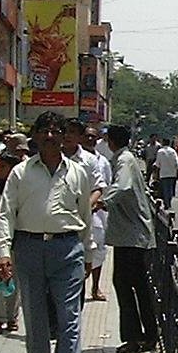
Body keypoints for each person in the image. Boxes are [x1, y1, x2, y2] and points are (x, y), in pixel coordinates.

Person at [0, 112, 93, 353]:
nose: (49, 137)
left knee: (69, 315)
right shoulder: (21, 173)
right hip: (29, 248)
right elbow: (5, 213)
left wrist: (87, 254)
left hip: (67, 250)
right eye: (44, 131)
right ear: (35, 136)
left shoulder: (78, 172)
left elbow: (84, 216)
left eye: (55, 131)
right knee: (35, 313)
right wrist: (3, 252)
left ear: (65, 137)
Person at [99, 124, 159, 353]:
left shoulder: (124, 160)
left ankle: (136, 337)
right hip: (130, 234)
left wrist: (103, 201)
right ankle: (147, 334)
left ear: (111, 141)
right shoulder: (125, 158)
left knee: (126, 285)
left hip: (131, 236)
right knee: (135, 286)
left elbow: (122, 186)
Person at [66, 122, 111, 300]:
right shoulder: (55, 157)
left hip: (94, 218)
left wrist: (87, 207)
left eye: (93, 136)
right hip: (62, 222)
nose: (90, 139)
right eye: (88, 136)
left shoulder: (96, 161)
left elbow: (102, 187)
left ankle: (94, 287)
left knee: (95, 252)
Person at [0, 147, 24, 334]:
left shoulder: (21, 187)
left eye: (3, 166)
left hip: (18, 240)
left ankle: (12, 318)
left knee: (14, 280)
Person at [154, 137, 178, 210]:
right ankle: (169, 203)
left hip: (163, 173)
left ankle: (166, 203)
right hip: (172, 173)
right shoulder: (173, 151)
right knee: (170, 189)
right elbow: (176, 164)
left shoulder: (160, 151)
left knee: (165, 189)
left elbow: (157, 164)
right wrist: (177, 173)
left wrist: (156, 175)